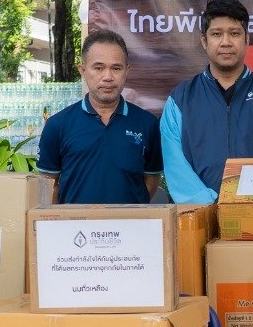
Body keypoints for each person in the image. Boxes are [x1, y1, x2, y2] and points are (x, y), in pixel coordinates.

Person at [160, 0, 253, 203]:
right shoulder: (180, 99)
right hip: (199, 213)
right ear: (204, 41)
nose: (226, 42)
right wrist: (206, 203)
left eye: (234, 33)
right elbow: (175, 163)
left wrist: (249, 201)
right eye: (217, 34)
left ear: (247, 39)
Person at [37, 30, 162, 204]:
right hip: (73, 222)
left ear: (127, 71)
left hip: (131, 221)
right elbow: (48, 185)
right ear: (83, 70)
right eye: (98, 68)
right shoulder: (57, 125)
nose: (108, 77)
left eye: (116, 68)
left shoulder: (148, 124)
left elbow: (151, 180)